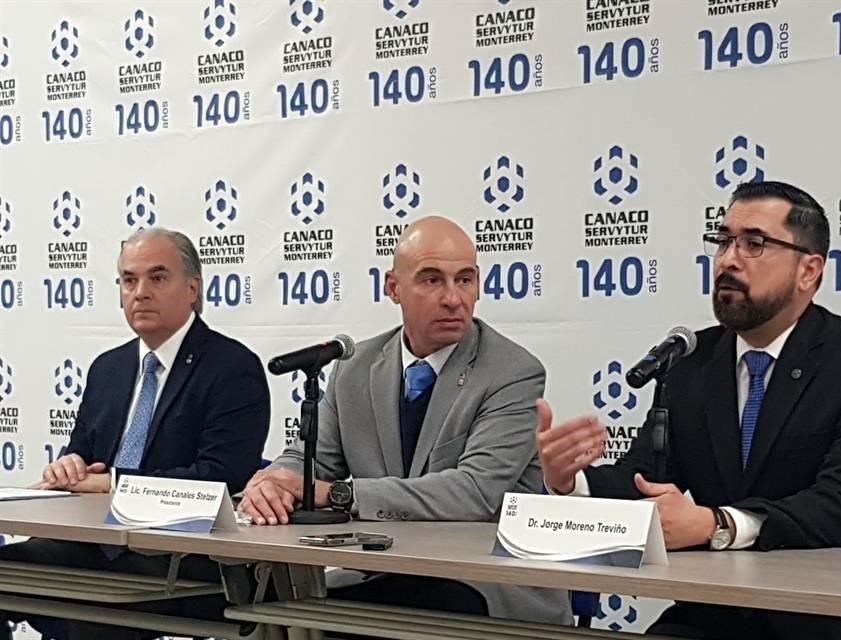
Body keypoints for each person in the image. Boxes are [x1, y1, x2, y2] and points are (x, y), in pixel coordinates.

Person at [536, 181, 841, 640]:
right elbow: (646, 478)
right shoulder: (692, 362)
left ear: (809, 271)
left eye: (754, 244)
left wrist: (717, 524)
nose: (728, 260)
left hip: (836, 617)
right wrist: (568, 482)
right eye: (722, 241)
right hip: (720, 613)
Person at [240, 215, 571, 627]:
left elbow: (473, 494)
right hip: (386, 570)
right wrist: (272, 483)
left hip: (482, 582)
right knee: (266, 601)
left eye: (465, 280)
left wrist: (337, 494)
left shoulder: (513, 372)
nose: (454, 298)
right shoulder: (355, 366)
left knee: (346, 616)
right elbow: (311, 458)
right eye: (432, 280)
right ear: (393, 288)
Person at [0, 228, 271, 640]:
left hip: (179, 555)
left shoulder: (232, 367)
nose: (140, 292)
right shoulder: (107, 369)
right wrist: (68, 467)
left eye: (157, 278)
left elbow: (223, 475)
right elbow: (83, 454)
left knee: (89, 608)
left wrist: (112, 483)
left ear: (193, 288)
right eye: (129, 280)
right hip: (97, 544)